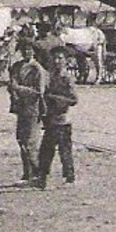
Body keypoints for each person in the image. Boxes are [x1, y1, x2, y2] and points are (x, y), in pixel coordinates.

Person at [34, 48, 79, 188]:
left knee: (64, 151)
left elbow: (73, 99)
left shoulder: (67, 78)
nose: (57, 61)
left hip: (63, 120)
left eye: (60, 58)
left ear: (66, 61)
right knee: (46, 151)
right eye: (54, 58)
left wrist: (54, 98)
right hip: (51, 119)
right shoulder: (50, 76)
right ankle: (42, 178)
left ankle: (69, 178)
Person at [6, 39, 49, 185]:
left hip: (34, 109)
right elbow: (12, 86)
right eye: (24, 50)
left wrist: (18, 88)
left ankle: (37, 174)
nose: (27, 52)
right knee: (21, 140)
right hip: (21, 109)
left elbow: (39, 92)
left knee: (30, 142)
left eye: (29, 50)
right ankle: (28, 173)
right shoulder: (17, 67)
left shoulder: (37, 69)